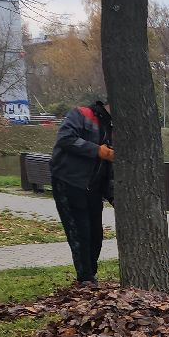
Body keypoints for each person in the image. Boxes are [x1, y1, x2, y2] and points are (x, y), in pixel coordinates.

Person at [49, 100, 114, 284]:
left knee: (96, 235)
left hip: (92, 188)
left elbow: (108, 171)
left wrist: (112, 195)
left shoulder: (112, 129)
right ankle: (85, 278)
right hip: (68, 181)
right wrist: (96, 151)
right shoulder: (81, 115)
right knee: (80, 232)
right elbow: (65, 139)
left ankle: (89, 274)